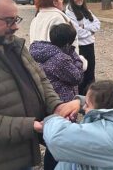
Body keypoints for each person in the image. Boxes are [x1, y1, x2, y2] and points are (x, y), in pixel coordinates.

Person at [0, 0, 80, 170]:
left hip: (21, 156)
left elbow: (40, 80)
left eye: (16, 19)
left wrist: (56, 106)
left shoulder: (15, 45)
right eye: (9, 21)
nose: (16, 27)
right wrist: (30, 126)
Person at [30, 23, 84, 170]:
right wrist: (77, 59)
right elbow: (77, 76)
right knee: (60, 142)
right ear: (68, 42)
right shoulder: (61, 59)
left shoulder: (44, 51)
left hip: (49, 100)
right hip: (62, 103)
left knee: (54, 141)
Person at [30, 0, 87, 70]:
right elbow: (64, 45)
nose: (62, 2)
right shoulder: (57, 18)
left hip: (41, 65)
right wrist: (76, 63)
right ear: (54, 3)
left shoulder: (35, 19)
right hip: (59, 67)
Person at [66, 0, 101, 95]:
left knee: (91, 72)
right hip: (79, 47)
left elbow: (98, 24)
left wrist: (85, 27)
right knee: (81, 73)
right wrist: (91, 32)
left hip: (90, 45)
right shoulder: (69, 12)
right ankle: (81, 97)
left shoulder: (86, 10)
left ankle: (92, 96)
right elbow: (77, 33)